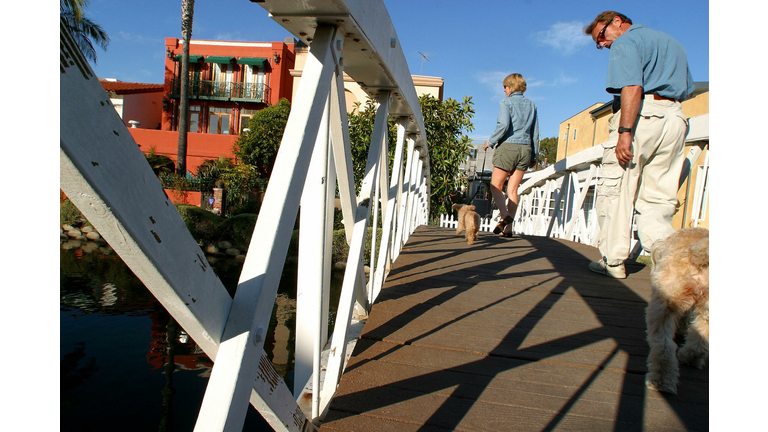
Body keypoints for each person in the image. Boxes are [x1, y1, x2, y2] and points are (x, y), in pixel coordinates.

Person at [585, 11, 695, 278]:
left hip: (643, 117)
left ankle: (613, 261)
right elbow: (688, 88)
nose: (602, 44)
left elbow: (632, 87)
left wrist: (625, 132)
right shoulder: (672, 43)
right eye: (598, 43)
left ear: (617, 22)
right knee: (659, 198)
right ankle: (666, 259)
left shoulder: (626, 42)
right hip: (675, 118)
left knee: (618, 191)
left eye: (601, 35)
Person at [483, 73, 540, 237]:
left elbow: (504, 124)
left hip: (508, 148)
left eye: (505, 88)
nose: (504, 91)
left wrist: (491, 141)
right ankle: (508, 229)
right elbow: (535, 132)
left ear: (509, 87)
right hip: (525, 149)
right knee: (513, 190)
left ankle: (505, 216)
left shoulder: (506, 102)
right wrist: (534, 155)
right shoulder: (532, 105)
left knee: (496, 186)